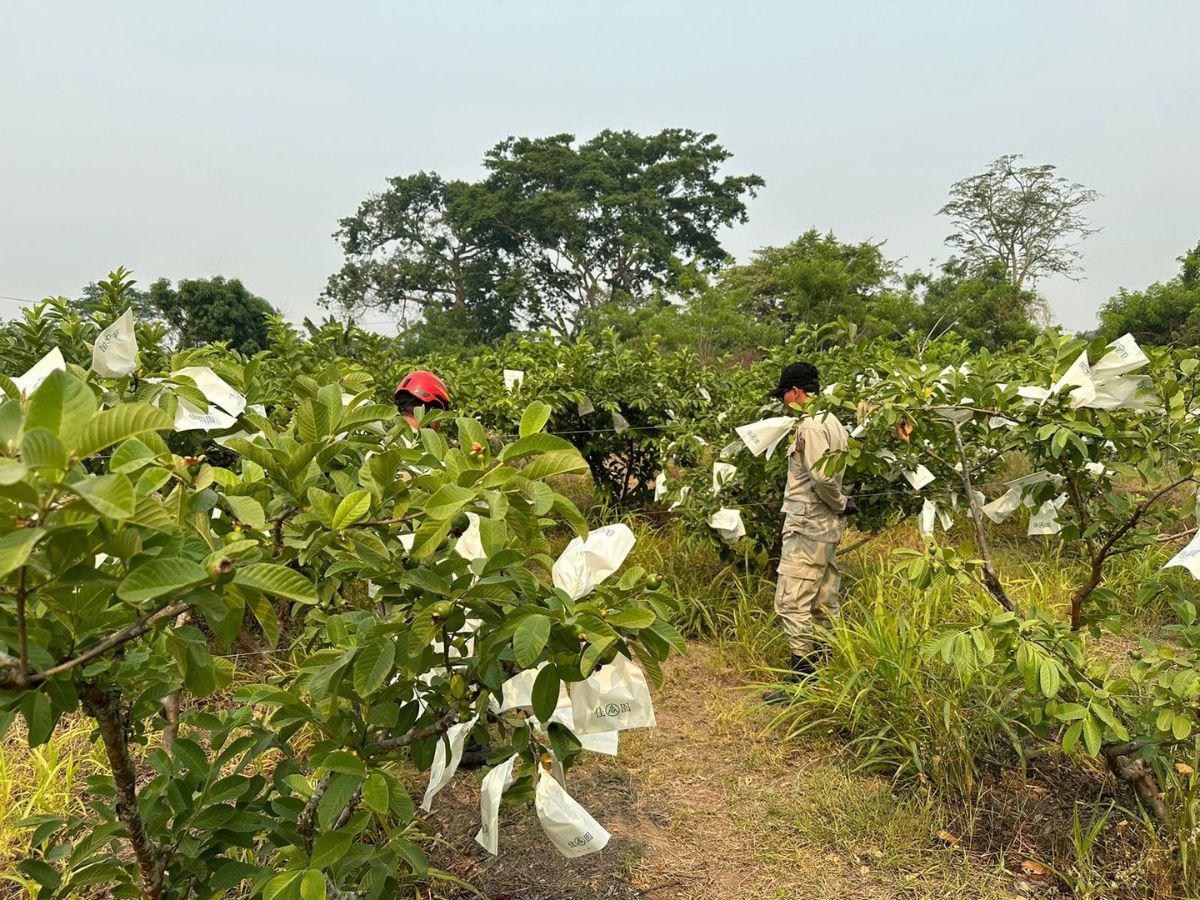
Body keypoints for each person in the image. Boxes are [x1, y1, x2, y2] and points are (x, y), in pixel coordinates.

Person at [763, 361, 854, 704]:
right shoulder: (832, 420)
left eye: (785, 396)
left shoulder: (811, 427)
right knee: (824, 601)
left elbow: (820, 478)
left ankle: (802, 682)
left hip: (807, 527)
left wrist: (840, 502)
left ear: (796, 392)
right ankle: (830, 673)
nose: (784, 403)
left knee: (791, 602)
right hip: (825, 530)